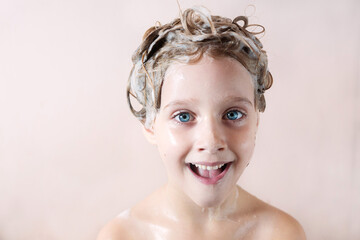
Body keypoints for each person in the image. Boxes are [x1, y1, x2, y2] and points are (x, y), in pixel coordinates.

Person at [97, 6, 306, 240]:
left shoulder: (280, 234)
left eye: (233, 114)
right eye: (184, 116)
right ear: (149, 124)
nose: (211, 141)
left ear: (256, 120)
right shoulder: (122, 236)